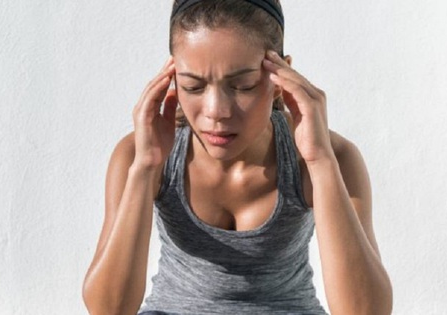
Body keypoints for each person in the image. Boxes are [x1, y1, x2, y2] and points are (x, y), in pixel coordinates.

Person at [82, 0, 393, 314]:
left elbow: (365, 312)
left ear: (279, 80)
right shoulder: (138, 155)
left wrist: (320, 161)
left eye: (243, 86)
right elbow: (109, 310)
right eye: (193, 86)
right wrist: (146, 168)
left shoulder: (332, 157)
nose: (216, 111)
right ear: (173, 78)